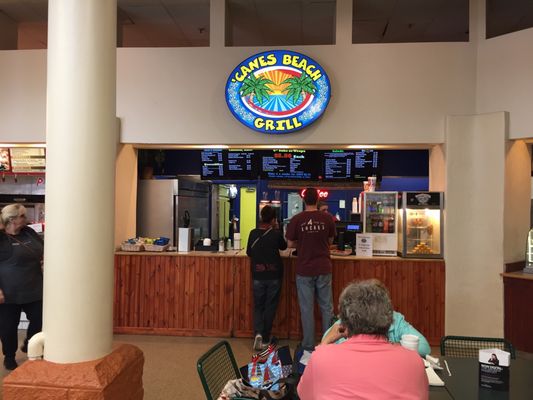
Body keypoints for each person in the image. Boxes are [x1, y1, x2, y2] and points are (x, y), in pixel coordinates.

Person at [298, 279, 428, 399]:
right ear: (389, 318)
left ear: (345, 321)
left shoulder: (321, 357)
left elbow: (305, 395)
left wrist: (324, 343)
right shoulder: (414, 361)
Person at [286, 188, 336, 351]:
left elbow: (290, 244)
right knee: (326, 307)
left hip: (305, 269)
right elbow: (330, 240)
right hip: (323, 268)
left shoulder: (297, 219)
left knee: (307, 309)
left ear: (303, 201)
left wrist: (303, 241)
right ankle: (328, 344)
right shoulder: (327, 218)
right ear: (317, 200)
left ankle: (308, 345)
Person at [0, 204, 44, 370]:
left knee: (40, 320)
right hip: (9, 293)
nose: (25, 219)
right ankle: (9, 356)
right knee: (8, 327)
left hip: (34, 288)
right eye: (22, 216)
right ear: (12, 219)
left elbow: (42, 249)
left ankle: (30, 343)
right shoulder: (1, 238)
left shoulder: (29, 232)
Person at [246, 205, 287, 351]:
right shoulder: (275, 234)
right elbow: (284, 247)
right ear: (274, 219)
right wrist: (277, 228)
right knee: (270, 306)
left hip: (258, 275)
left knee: (258, 305)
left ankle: (258, 333)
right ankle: (265, 337)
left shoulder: (253, 233)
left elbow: (249, 252)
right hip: (274, 275)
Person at [322, 311, 431, 357]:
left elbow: (424, 347)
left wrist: (392, 346)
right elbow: (326, 343)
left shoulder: (395, 319)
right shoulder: (350, 319)